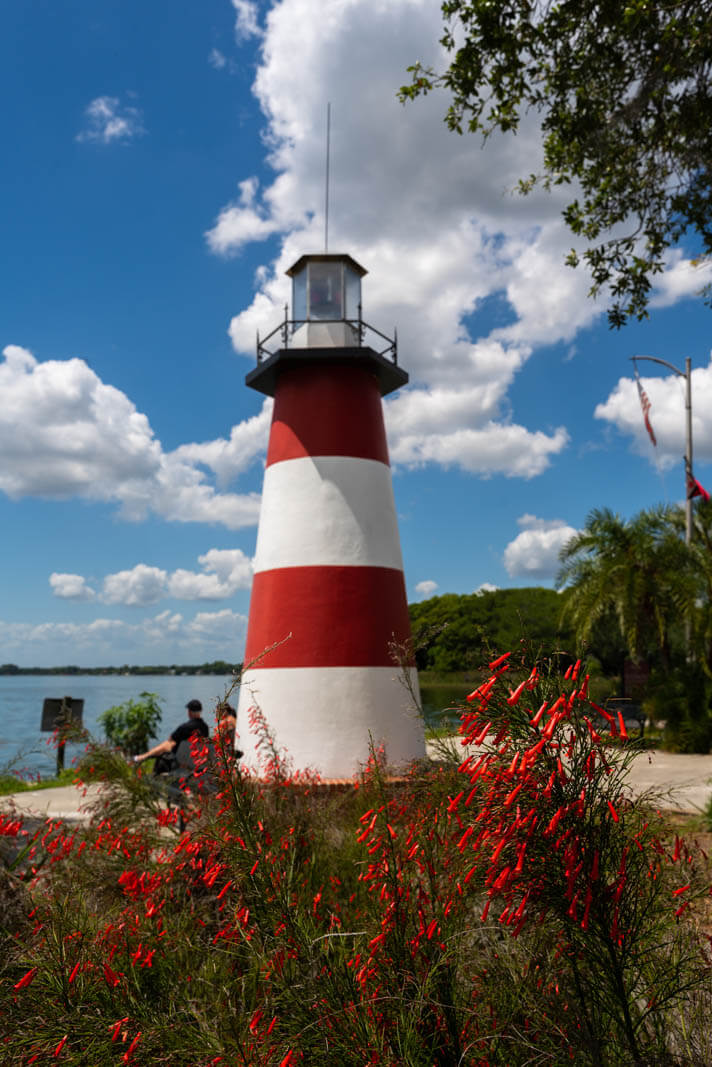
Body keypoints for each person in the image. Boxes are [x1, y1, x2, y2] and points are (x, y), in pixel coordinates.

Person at [133, 699, 209, 772]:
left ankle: (142, 757)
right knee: (171, 744)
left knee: (168, 744)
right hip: (197, 760)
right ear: (201, 711)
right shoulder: (205, 728)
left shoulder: (185, 727)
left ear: (189, 712)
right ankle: (142, 757)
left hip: (181, 759)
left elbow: (171, 739)